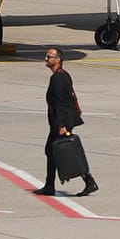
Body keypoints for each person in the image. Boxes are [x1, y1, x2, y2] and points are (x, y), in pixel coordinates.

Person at [32, 47, 98, 197]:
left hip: (61, 123)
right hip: (61, 121)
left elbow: (62, 103)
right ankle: (53, 184)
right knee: (53, 151)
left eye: (49, 56)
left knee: (59, 150)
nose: (46, 59)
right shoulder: (62, 75)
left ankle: (87, 181)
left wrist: (62, 125)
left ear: (58, 60)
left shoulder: (58, 78)